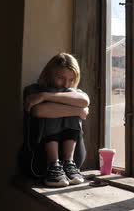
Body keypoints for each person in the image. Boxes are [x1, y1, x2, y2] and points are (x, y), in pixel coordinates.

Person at [23, 52, 90, 187]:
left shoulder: (75, 93)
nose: (66, 84)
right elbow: (38, 111)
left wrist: (46, 96)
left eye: (71, 80)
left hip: (74, 161)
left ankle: (68, 162)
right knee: (51, 112)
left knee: (64, 105)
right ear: (49, 74)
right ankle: (53, 165)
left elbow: (84, 101)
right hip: (39, 160)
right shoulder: (33, 90)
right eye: (61, 78)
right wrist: (78, 111)